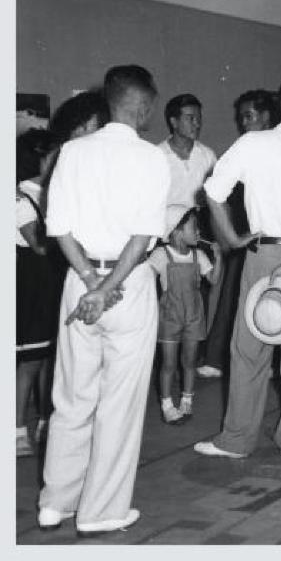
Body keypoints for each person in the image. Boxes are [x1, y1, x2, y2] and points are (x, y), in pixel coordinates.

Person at [38, 64, 169, 536]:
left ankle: (56, 501)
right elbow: (142, 237)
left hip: (82, 277)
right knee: (119, 401)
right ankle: (102, 511)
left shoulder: (72, 152)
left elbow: (58, 229)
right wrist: (109, 286)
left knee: (72, 395)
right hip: (125, 286)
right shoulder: (152, 159)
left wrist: (90, 281)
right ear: (144, 106)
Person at [194, 76, 281, 459]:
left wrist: (233, 240)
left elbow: (211, 193)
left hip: (266, 257)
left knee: (250, 352)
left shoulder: (252, 143)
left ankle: (237, 440)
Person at [198, 89, 277, 379]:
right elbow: (218, 193)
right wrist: (231, 237)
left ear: (267, 116)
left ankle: (266, 363)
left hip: (277, 239)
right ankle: (217, 358)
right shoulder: (244, 146)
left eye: (249, 116)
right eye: (241, 117)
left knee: (269, 303)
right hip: (246, 236)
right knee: (233, 298)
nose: (244, 122)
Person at [149, 205, 222, 423]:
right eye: (194, 227)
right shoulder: (162, 254)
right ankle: (167, 404)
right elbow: (145, 279)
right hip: (170, 316)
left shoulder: (198, 255)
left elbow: (214, 280)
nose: (198, 232)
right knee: (169, 364)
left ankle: (187, 400)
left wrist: (219, 258)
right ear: (177, 231)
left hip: (193, 315)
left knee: (189, 361)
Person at [16, 130, 61, 458]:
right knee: (29, 361)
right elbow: (40, 246)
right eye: (52, 156)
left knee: (50, 357)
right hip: (30, 283)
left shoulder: (51, 194)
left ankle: (47, 421)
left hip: (51, 283)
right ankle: (17, 429)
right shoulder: (20, 197)